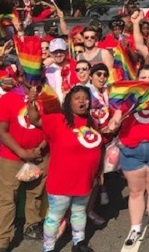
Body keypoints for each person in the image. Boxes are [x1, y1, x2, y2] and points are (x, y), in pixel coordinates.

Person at [105, 65, 149, 248]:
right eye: (143, 76)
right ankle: (135, 228)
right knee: (135, 192)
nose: (147, 79)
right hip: (131, 150)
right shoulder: (127, 99)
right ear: (137, 78)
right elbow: (116, 118)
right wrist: (113, 124)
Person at [28, 85, 102, 252]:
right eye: (77, 98)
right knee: (54, 217)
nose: (83, 101)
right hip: (61, 182)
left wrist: (100, 171)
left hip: (84, 180)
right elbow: (35, 120)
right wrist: (31, 101)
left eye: (85, 98)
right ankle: (48, 248)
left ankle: (79, 243)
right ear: (69, 103)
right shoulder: (57, 120)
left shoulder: (93, 122)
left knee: (79, 212)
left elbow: (99, 148)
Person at [0, 69, 48, 251]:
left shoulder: (47, 98)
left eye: (38, 75)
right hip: (11, 157)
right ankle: (3, 239)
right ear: (20, 77)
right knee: (7, 199)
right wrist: (22, 152)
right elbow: (2, 130)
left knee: (35, 193)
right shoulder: (8, 99)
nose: (33, 80)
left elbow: (52, 126)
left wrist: (40, 148)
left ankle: (32, 226)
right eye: (28, 75)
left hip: (39, 154)